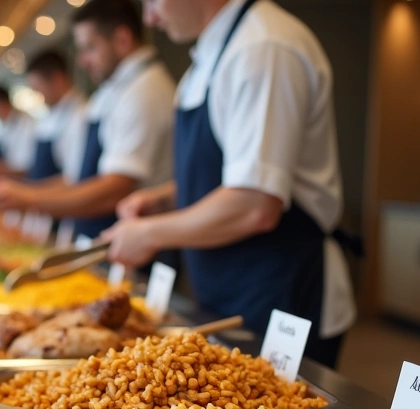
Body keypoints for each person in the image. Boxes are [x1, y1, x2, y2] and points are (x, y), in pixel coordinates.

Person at [103, 0, 356, 367]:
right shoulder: (209, 58)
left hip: (281, 290)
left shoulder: (262, 47)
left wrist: (149, 234)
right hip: (223, 287)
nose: (149, 18)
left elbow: (255, 205)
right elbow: (233, 176)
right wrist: (167, 198)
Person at [0, 0, 175, 240]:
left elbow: (115, 188)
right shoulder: (116, 90)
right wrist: (21, 193)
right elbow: (76, 179)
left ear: (122, 40)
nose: (82, 61)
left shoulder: (144, 91)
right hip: (100, 235)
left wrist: (27, 198)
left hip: (134, 243)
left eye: (89, 48)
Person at [23, 51, 86, 183]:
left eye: (37, 87)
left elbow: (72, 179)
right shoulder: (51, 114)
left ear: (57, 79)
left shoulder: (80, 115)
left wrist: (26, 195)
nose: (37, 94)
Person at [0, 86, 37, 179]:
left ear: (0, 104)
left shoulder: (27, 124)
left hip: (25, 182)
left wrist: (1, 169)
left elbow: (25, 167)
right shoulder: (6, 125)